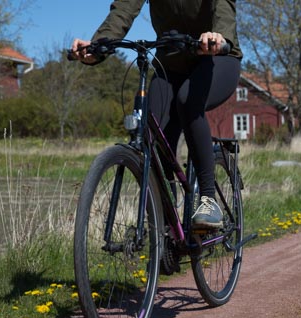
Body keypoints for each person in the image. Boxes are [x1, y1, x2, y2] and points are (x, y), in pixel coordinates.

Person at [70, 0, 242, 228]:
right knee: (153, 127)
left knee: (187, 101)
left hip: (217, 57)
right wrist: (96, 47)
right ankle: (165, 219)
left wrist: (220, 37)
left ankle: (208, 199)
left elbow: (223, 7)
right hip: (171, 64)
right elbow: (123, 10)